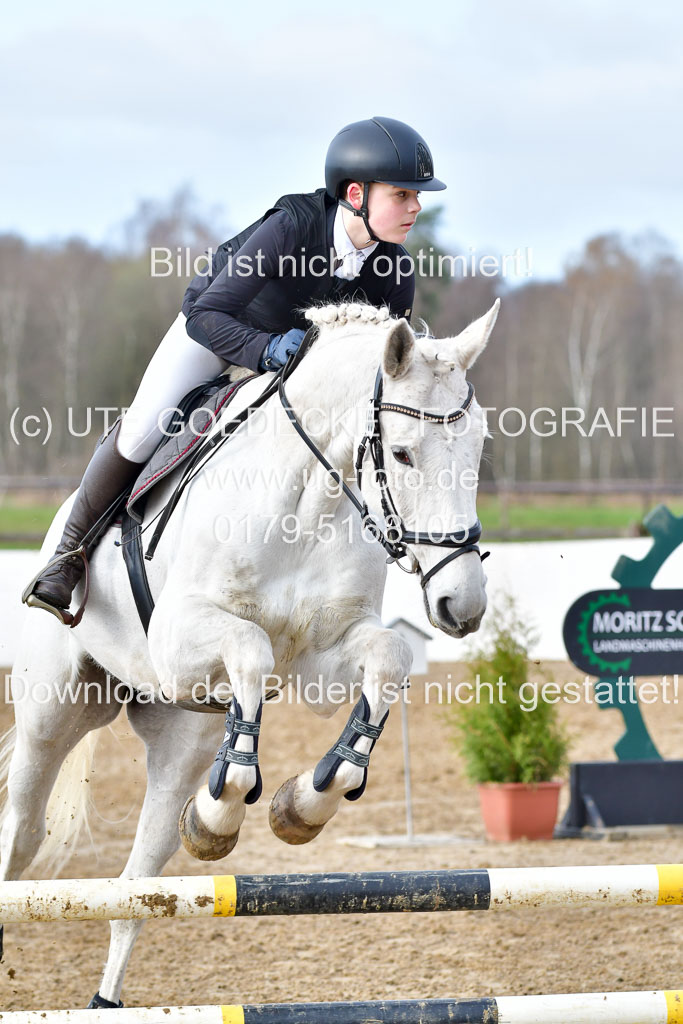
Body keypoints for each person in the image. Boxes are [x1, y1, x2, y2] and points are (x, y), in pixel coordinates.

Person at [23, 116, 446, 625]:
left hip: (294, 366)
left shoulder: (395, 270)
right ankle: (67, 557)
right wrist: (264, 350)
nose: (415, 207)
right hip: (220, 331)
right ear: (356, 194)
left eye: (415, 196)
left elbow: (383, 375)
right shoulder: (291, 225)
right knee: (143, 427)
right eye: (402, 194)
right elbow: (206, 315)